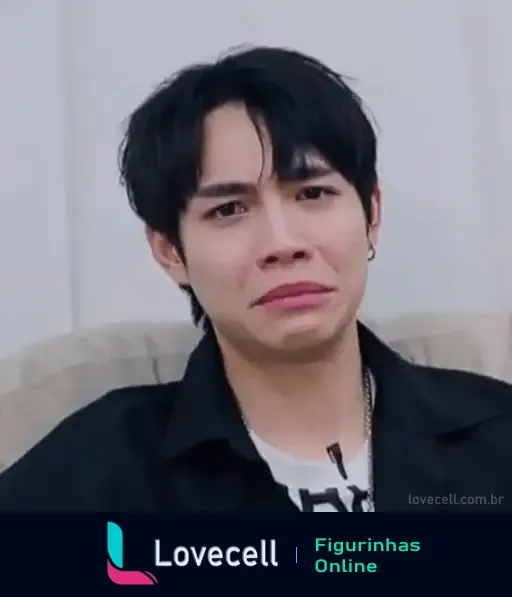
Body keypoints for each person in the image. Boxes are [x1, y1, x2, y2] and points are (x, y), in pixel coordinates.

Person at [0, 46, 511, 512]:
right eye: (228, 209)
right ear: (170, 251)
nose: (283, 243)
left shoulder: (496, 436)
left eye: (313, 194)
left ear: (371, 213)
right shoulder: (99, 471)